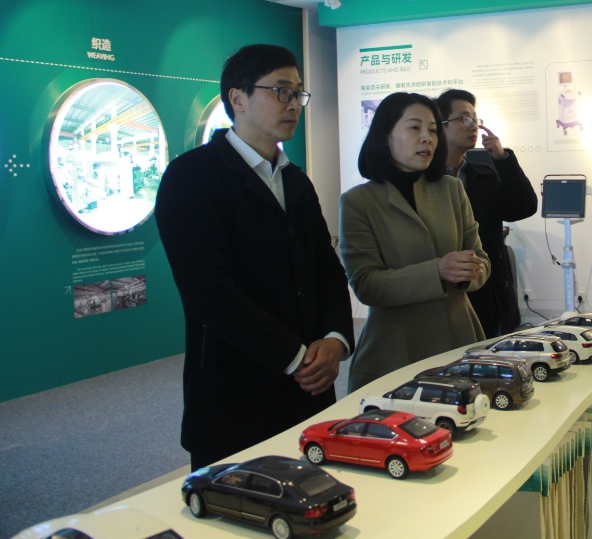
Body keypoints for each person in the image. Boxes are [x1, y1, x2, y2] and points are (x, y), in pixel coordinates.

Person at [155, 44, 355, 470]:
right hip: (235, 392)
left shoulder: (295, 180)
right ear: (238, 98)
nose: (293, 104)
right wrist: (296, 357)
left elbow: (326, 269)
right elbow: (209, 292)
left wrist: (335, 340)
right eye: (280, 90)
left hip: (309, 387)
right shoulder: (191, 176)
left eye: (298, 93)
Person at [340, 92, 490, 392]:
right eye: (414, 128)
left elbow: (481, 259)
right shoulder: (359, 201)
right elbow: (366, 284)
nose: (427, 138)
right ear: (385, 136)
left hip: (457, 339)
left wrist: (469, 273)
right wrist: (437, 271)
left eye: (433, 130)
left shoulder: (451, 189)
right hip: (395, 349)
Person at [437, 89, 538, 337]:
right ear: (441, 125)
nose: (474, 126)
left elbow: (522, 207)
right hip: (446, 289)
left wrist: (503, 159)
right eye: (465, 119)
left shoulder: (483, 175)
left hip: (487, 285)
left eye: (475, 119)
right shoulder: (426, 180)